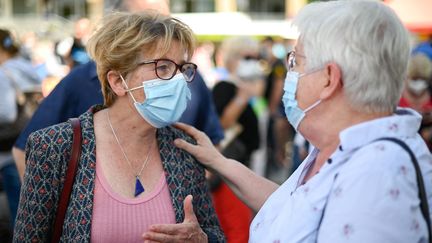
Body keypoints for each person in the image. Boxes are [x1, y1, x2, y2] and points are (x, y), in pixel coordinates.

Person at [153, 1, 432, 242]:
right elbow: (293, 209)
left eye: (295, 62)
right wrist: (219, 162)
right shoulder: (340, 147)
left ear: (329, 79)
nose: (290, 75)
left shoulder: (376, 175)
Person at [13, 12, 224, 242]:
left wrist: (202, 239)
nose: (178, 80)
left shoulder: (184, 148)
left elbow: (213, 232)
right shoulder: (55, 148)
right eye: (163, 67)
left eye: (183, 69)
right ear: (117, 81)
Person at [12, 0, 224, 181]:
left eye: (165, 20)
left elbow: (211, 143)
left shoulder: (189, 79)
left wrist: (187, 194)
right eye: (147, 24)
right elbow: (26, 151)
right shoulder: (80, 80)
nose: (162, 31)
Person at [0, 28, 41, 232]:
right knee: (29, 208)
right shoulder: (28, 68)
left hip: (9, 149)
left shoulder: (3, 72)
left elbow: (6, 114)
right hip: (32, 140)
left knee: (18, 211)